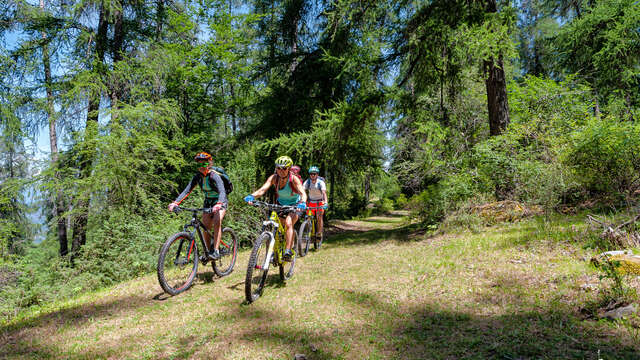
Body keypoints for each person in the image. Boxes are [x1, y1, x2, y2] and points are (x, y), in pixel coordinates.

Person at [244, 156, 307, 261]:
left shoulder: (293, 179)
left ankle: (288, 251)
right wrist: (252, 196)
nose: (281, 171)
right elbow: (262, 189)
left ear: (289, 169)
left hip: (295, 206)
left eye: (284, 168)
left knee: (288, 223)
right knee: (273, 224)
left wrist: (303, 203)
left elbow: (302, 193)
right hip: (280, 205)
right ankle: (273, 251)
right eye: (278, 168)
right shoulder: (274, 178)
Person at [168, 152, 228, 260]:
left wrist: (219, 203)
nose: (201, 167)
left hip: (220, 201)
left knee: (216, 221)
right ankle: (208, 251)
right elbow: (187, 191)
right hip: (208, 202)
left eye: (204, 164)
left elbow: (222, 191)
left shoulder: (214, 176)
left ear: (209, 164)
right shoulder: (198, 177)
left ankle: (216, 250)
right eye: (199, 165)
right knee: (205, 225)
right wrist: (175, 203)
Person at [303, 165, 328, 237]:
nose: (312, 175)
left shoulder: (320, 182)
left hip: (320, 202)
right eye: (311, 174)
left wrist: (325, 202)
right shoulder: (307, 182)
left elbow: (324, 193)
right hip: (311, 202)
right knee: (308, 217)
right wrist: (301, 201)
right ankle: (309, 232)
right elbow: (302, 191)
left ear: (317, 174)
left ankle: (319, 233)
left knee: (319, 217)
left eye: (314, 174)